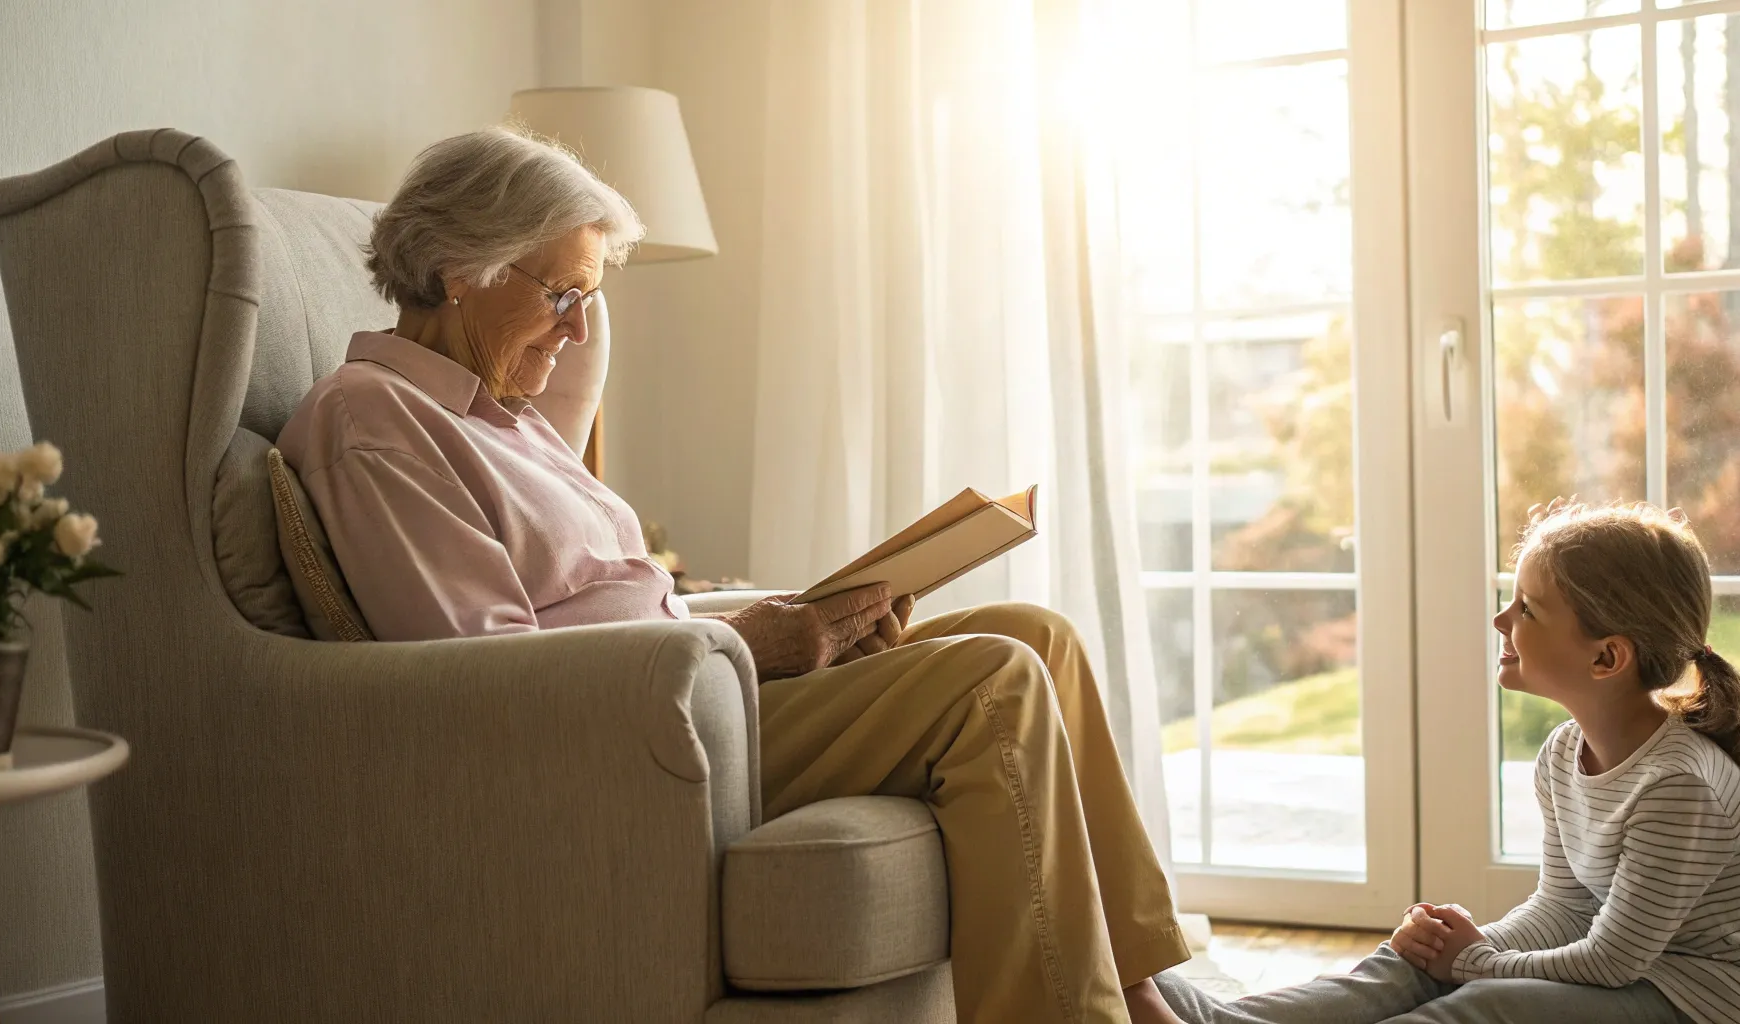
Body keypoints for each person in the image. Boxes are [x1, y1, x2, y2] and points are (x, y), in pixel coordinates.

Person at [275, 127, 1190, 1023]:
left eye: (586, 298)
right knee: (992, 678)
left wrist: (803, 625)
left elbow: (630, 602)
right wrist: (747, 646)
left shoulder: (505, 420)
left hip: (695, 690)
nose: (577, 328)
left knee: (1038, 635)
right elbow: (488, 681)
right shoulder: (375, 422)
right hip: (630, 742)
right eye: (563, 294)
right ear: (454, 268)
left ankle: (1150, 992)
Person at [1155, 501, 1740, 1024]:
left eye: (1527, 608)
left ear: (1606, 658)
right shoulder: (1563, 755)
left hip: (1709, 1006)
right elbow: (1564, 908)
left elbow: (1612, 959)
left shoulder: (1677, 787)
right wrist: (1463, 947)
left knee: (1480, 1007)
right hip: (1640, 976)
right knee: (1410, 964)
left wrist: (1472, 963)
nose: (1501, 620)